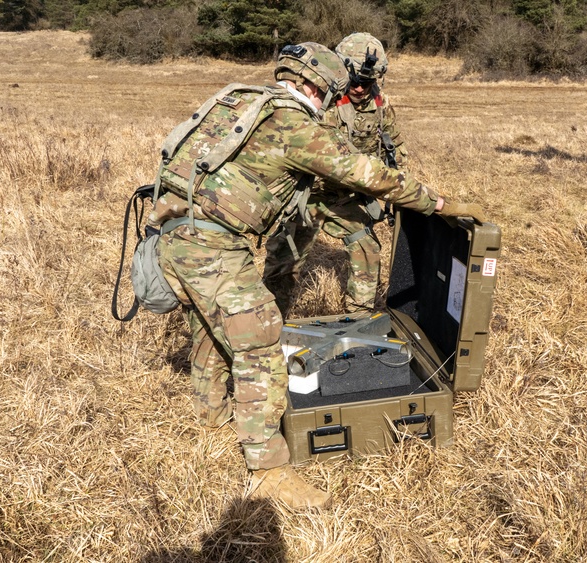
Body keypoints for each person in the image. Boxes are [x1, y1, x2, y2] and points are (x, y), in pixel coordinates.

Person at [145, 42, 486, 509]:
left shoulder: (238, 99)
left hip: (173, 233)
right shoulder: (291, 122)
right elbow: (366, 172)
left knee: (209, 326)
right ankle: (268, 472)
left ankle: (211, 414)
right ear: (318, 87)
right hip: (213, 245)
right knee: (261, 344)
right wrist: (436, 203)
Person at [262, 32, 405, 315]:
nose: (361, 89)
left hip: (343, 197)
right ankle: (270, 320)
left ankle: (359, 320)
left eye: (368, 82)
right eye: (355, 82)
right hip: (305, 195)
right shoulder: (316, 98)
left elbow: (395, 147)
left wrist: (397, 183)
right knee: (283, 259)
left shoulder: (380, 106)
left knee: (367, 249)